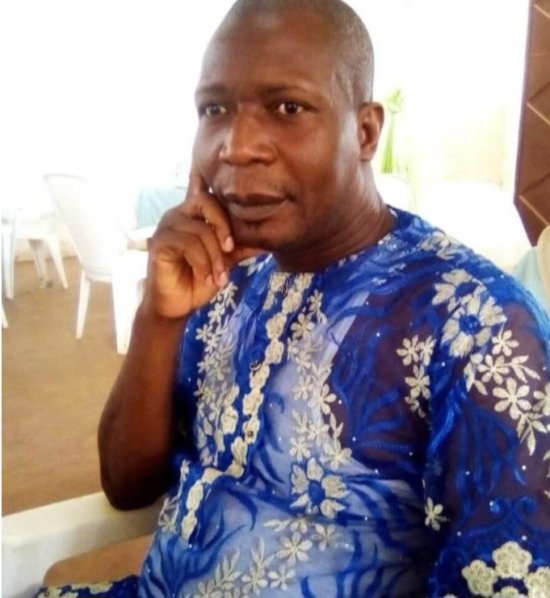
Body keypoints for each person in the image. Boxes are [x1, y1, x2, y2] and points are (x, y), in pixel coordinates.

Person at [38, 0, 550, 596]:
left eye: (287, 108)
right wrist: (159, 316)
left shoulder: (477, 326)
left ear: (365, 132)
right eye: (214, 109)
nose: (237, 146)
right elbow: (126, 486)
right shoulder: (226, 281)